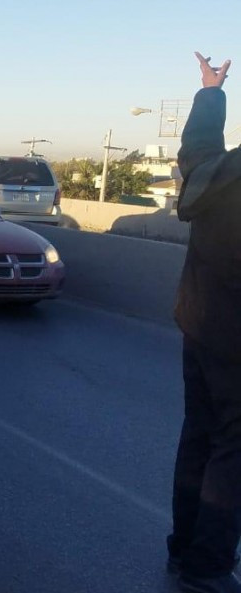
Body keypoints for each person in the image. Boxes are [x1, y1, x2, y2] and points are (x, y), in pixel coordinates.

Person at [168, 52, 241, 593]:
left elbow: (197, 150)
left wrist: (210, 92)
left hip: (199, 325)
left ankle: (184, 549)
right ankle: (209, 564)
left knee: (199, 435)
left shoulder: (217, 173)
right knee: (231, 450)